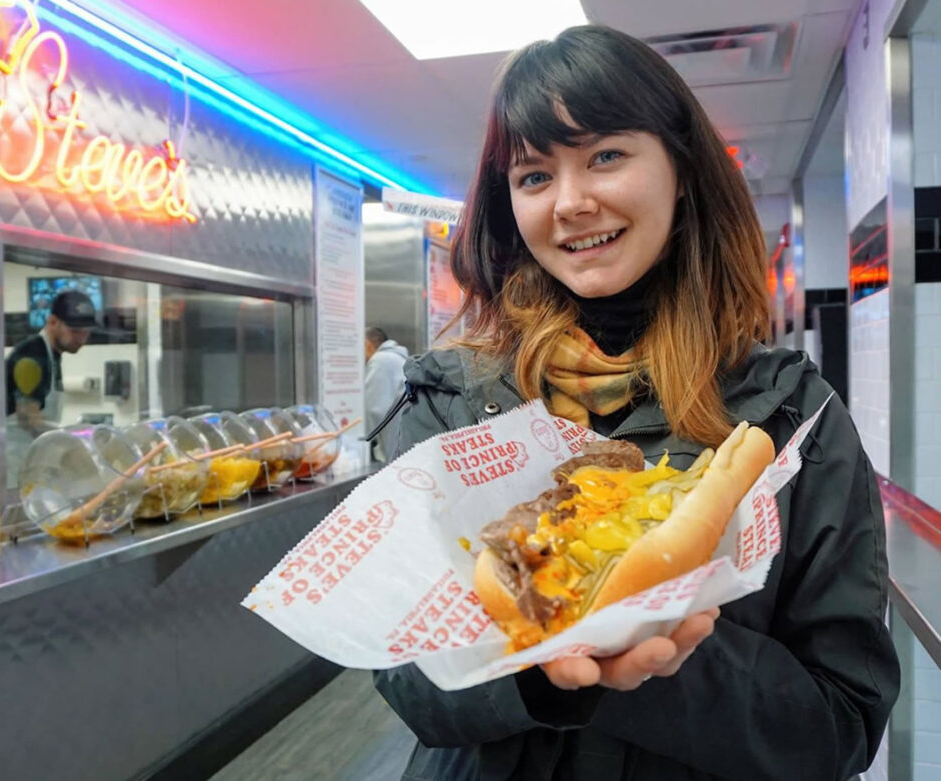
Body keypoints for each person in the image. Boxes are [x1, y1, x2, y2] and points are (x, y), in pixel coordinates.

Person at [374, 25, 899, 780]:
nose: (571, 202)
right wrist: (538, 671)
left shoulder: (790, 417)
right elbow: (402, 677)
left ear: (681, 170)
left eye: (605, 156)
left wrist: (651, 645)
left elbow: (842, 724)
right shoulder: (451, 400)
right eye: (533, 176)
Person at [5, 289, 99, 485]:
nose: (82, 338)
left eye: (86, 330)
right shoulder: (31, 357)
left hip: (33, 458)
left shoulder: (52, 355)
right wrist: (76, 442)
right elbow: (27, 419)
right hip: (16, 462)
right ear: (52, 322)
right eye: (74, 330)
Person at [364, 326, 408, 461]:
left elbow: (375, 410)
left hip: (391, 451)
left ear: (366, 345)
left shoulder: (381, 360)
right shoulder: (397, 358)